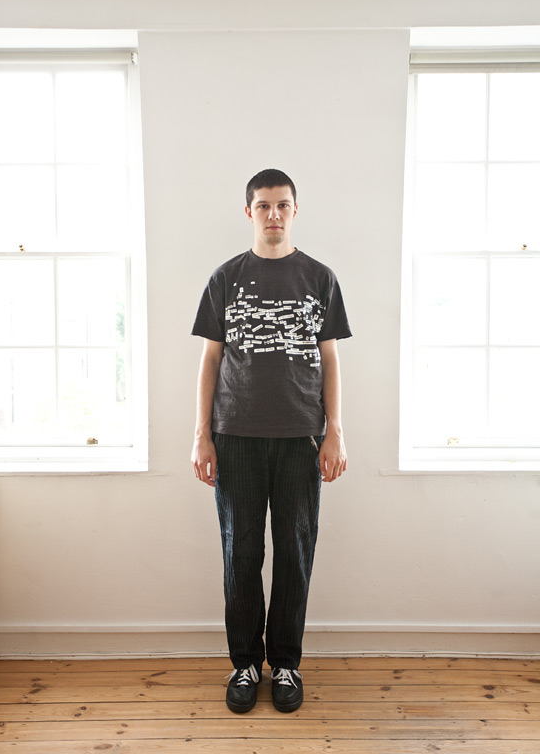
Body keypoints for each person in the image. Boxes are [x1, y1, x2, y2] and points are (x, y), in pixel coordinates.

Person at [191, 168, 352, 714]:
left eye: (283, 205)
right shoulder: (225, 278)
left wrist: (335, 431)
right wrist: (201, 435)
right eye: (264, 205)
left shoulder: (320, 278)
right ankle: (244, 664)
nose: (274, 214)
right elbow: (210, 359)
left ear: (295, 210)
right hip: (234, 436)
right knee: (240, 553)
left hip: (300, 437)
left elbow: (330, 358)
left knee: (294, 552)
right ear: (249, 212)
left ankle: (285, 664)